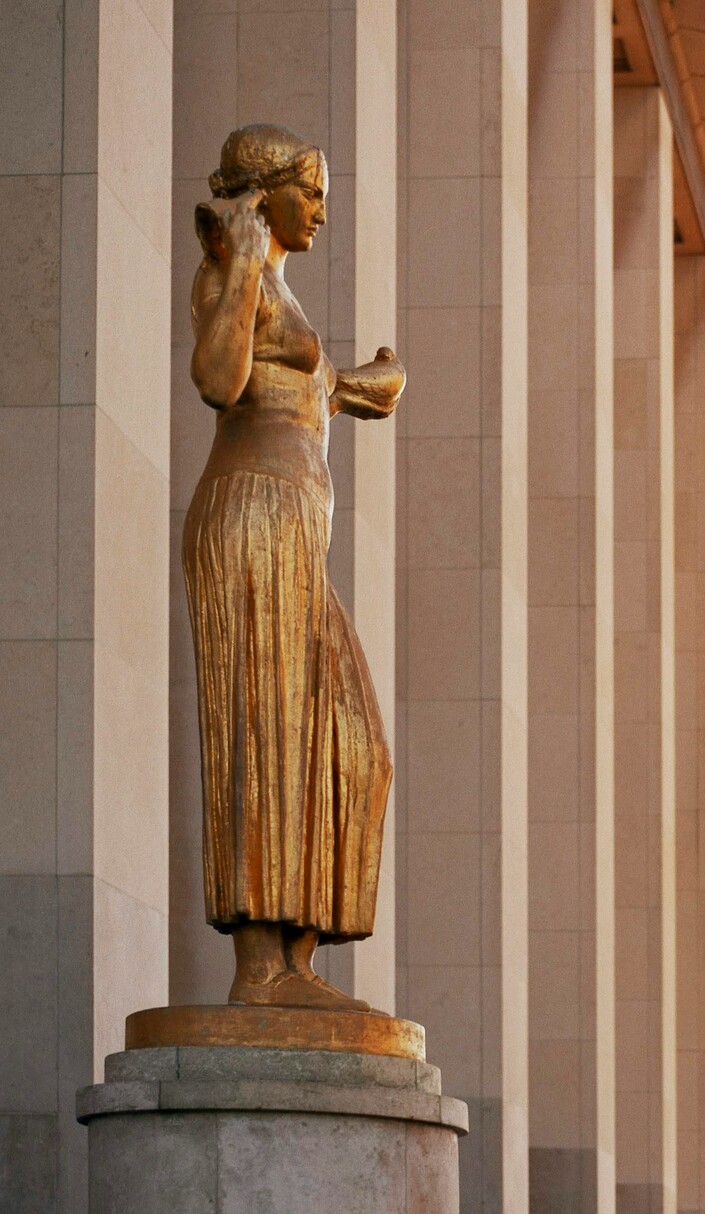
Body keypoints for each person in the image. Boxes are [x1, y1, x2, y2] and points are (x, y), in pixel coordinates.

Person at [185, 125, 405, 1008]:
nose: (320, 208)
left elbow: (309, 389)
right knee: (263, 728)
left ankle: (296, 962)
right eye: (308, 190)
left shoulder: (281, 290)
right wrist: (242, 258)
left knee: (353, 746)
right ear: (264, 192)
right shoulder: (228, 271)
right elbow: (218, 378)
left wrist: (366, 384)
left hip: (295, 532)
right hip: (250, 514)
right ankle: (260, 972)